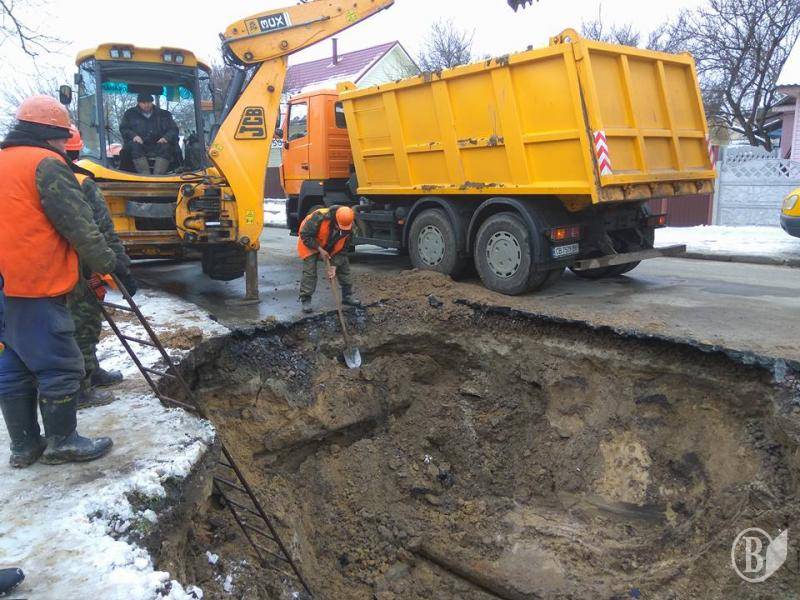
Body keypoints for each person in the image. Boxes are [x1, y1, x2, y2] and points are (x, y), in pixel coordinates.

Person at [0, 95, 117, 467]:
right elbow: (78, 224)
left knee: (12, 363)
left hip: (4, 286)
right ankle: (62, 442)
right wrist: (109, 263)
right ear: (54, 135)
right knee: (60, 364)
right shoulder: (46, 164)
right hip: (34, 282)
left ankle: (24, 447)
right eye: (64, 139)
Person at [65, 125, 139, 408]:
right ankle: (82, 388)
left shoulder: (30, 178)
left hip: (44, 268)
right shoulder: (81, 183)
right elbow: (104, 231)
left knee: (77, 324)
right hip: (78, 268)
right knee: (82, 324)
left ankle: (91, 371)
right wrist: (122, 268)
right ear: (77, 151)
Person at [297, 205, 361, 314]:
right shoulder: (319, 217)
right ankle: (306, 299)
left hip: (330, 243)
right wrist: (320, 249)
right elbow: (305, 235)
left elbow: (343, 250)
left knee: (344, 265)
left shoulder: (350, 226)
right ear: (335, 218)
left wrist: (334, 265)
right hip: (310, 242)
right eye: (339, 227)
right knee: (310, 271)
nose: (341, 230)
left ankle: (347, 296)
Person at [119, 93, 179, 175]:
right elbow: (124, 128)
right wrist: (134, 136)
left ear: (152, 102)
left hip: (159, 144)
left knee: (167, 147)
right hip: (139, 145)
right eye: (143, 103)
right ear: (138, 103)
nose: (146, 105)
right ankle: (145, 175)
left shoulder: (164, 114)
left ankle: (158, 176)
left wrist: (166, 138)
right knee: (133, 146)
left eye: (149, 102)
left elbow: (174, 129)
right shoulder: (129, 114)